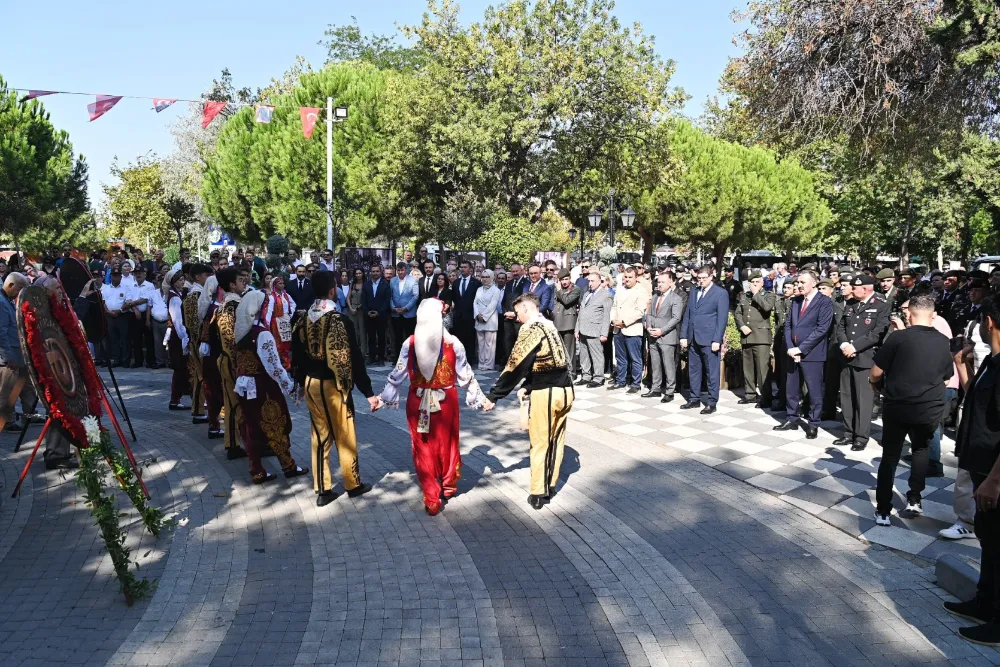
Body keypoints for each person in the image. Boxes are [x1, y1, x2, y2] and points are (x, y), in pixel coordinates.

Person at [379, 299, 486, 515]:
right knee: (448, 443)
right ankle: (448, 485)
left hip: (418, 401)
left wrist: (383, 398)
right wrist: (480, 397)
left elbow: (398, 374)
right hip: (446, 400)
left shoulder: (410, 342)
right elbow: (465, 375)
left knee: (422, 446)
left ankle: (431, 496)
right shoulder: (453, 343)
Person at [291, 271, 377, 506]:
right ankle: (352, 483)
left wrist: (299, 382)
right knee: (344, 432)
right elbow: (355, 359)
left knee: (319, 435)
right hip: (334, 385)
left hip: (310, 383)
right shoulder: (340, 320)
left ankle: (323, 488)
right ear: (332, 291)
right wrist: (368, 392)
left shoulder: (302, 319)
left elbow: (296, 354)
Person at [483, 293, 574, 510]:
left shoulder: (531, 328)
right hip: (566, 389)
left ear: (525, 309)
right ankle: (550, 485)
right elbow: (553, 358)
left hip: (548, 392)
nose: (517, 318)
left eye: (517, 313)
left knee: (540, 441)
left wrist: (494, 395)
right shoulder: (549, 325)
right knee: (555, 440)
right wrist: (528, 385)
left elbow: (516, 364)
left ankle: (538, 492)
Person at [870, 293, 954, 525]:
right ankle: (915, 499)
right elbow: (947, 378)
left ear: (909, 313)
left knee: (890, 457)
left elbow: (875, 371)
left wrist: (875, 386)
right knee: (920, 450)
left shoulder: (898, 338)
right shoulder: (943, 340)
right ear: (933, 314)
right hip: (929, 407)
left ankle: (884, 510)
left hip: (898, 405)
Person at [231, 290, 309, 484]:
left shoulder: (241, 330)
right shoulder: (262, 334)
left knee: (252, 427)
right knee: (276, 424)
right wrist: (290, 387)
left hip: (244, 384)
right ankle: (288, 466)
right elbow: (274, 367)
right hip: (262, 386)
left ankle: (256, 469)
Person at [772, 271, 833, 438]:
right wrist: (791, 347)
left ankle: (813, 423)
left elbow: (822, 329)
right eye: (797, 282)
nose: (798, 285)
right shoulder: (796, 301)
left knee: (814, 390)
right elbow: (789, 326)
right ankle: (791, 418)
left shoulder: (824, 302)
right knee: (791, 389)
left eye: (802, 282)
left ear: (813, 283)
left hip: (812, 354)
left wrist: (802, 349)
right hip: (793, 353)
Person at [833, 275, 890, 451]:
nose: (851, 289)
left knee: (863, 400)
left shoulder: (881, 306)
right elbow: (841, 328)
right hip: (846, 357)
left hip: (865, 358)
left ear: (865, 289)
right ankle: (848, 433)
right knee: (847, 397)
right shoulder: (851, 305)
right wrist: (844, 344)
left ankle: (861, 436)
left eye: (854, 287)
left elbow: (878, 333)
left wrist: (855, 347)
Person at [210, 268, 249, 459]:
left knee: (232, 403)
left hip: (226, 359)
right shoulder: (235, 306)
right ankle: (237, 445)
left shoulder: (224, 305)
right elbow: (234, 338)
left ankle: (234, 443)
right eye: (241, 279)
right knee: (237, 404)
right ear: (232, 285)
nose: (245, 282)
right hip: (234, 360)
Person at [680, 266, 730, 414]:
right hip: (693, 337)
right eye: (699, 278)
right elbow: (687, 315)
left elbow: (722, 319)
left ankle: (711, 402)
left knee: (711, 372)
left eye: (703, 278)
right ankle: (694, 399)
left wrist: (717, 339)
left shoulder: (720, 293)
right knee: (694, 370)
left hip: (709, 339)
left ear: (711, 277)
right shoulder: (695, 291)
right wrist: (684, 335)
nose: (700, 281)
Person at [735, 270, 776, 406]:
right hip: (747, 336)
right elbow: (738, 313)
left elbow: (767, 307)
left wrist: (756, 294)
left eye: (757, 282)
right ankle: (750, 394)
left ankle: (766, 397)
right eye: (752, 282)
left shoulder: (768, 295)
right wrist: (741, 326)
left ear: (762, 282)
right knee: (748, 368)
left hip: (761, 337)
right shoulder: (744, 296)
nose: (754, 284)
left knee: (762, 369)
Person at [644, 270, 683, 402]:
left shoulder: (676, 298)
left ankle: (670, 391)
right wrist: (649, 326)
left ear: (671, 282)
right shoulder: (655, 296)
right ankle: (655, 388)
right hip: (652, 335)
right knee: (655, 364)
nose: (659, 284)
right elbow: (649, 313)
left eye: (662, 282)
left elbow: (676, 318)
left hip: (667, 336)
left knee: (668, 365)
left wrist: (662, 330)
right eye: (658, 282)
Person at [609, 266, 647, 394]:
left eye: (630, 277)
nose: (627, 279)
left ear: (636, 278)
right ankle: (621, 380)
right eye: (625, 277)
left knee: (635, 358)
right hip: (618, 329)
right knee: (620, 357)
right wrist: (613, 319)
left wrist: (624, 321)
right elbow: (614, 306)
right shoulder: (620, 289)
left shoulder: (641, 291)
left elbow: (640, 311)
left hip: (631, 328)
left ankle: (636, 383)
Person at [183, 264, 213, 424]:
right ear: (198, 277)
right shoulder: (198, 296)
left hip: (195, 339)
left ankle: (198, 408)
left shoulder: (191, 295)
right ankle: (199, 409)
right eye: (207, 276)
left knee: (199, 375)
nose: (209, 279)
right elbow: (198, 322)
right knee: (203, 376)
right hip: (201, 340)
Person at [0, 274, 29, 436]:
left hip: (14, 357)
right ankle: (5, 422)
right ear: (10, 285)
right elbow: (1, 333)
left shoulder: (6, 301)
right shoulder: (1, 303)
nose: (19, 293)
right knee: (5, 393)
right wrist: (7, 357)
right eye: (18, 289)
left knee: (15, 390)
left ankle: (12, 419)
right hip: (8, 359)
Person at [197, 276, 225, 439]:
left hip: (214, 353)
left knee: (214, 389)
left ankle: (215, 423)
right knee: (216, 390)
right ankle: (214, 424)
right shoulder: (214, 308)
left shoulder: (214, 306)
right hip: (216, 354)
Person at [164, 270, 191, 411]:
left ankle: (179, 398)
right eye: (179, 280)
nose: (182, 282)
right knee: (179, 368)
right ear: (174, 282)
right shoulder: (174, 298)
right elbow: (177, 321)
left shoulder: (180, 295)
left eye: (183, 279)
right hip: (177, 336)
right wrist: (184, 338)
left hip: (179, 335)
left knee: (183, 368)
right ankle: (175, 400)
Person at [552, 269, 581, 379]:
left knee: (569, 350)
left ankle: (571, 373)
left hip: (568, 322)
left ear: (570, 278)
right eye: (562, 280)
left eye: (566, 279)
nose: (564, 282)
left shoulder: (575, 289)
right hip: (556, 321)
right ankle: (560, 371)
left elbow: (567, 301)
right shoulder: (555, 288)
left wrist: (559, 290)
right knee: (558, 349)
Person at [450, 260, 482, 358]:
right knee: (458, 339)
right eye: (461, 267)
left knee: (470, 339)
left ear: (470, 270)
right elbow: (455, 298)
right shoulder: (456, 282)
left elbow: (478, 300)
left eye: (465, 267)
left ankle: (470, 360)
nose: (463, 269)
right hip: (458, 316)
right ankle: (459, 358)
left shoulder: (476, 283)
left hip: (470, 315)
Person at [361, 264, 391, 364]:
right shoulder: (366, 285)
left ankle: (381, 358)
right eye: (373, 271)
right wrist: (367, 312)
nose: (375, 273)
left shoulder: (385, 285)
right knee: (371, 337)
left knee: (382, 337)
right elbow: (363, 300)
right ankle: (372, 357)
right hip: (369, 315)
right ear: (370, 272)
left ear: (380, 272)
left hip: (381, 315)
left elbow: (387, 301)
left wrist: (379, 312)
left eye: (377, 271)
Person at [473, 269, 502, 371]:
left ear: (492, 277)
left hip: (490, 319)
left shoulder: (496, 290)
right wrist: (477, 314)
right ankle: (481, 363)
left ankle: (489, 364)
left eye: (487, 277)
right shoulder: (479, 289)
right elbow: (475, 303)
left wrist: (484, 316)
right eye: (483, 277)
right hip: (478, 318)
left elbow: (493, 305)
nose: (485, 279)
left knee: (489, 344)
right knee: (480, 343)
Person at [389, 262, 418, 361]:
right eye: (398, 270)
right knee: (397, 337)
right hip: (396, 313)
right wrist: (393, 307)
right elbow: (390, 296)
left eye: (402, 270)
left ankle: (410, 359)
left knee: (409, 337)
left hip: (409, 314)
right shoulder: (392, 280)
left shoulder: (413, 280)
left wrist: (406, 308)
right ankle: (398, 358)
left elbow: (415, 296)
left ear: (406, 270)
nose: (400, 272)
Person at [101, 268, 130, 367]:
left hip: (122, 316)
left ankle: (125, 360)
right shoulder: (106, 288)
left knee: (124, 338)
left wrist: (120, 311)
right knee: (113, 338)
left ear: (121, 277)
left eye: (118, 275)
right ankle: (116, 359)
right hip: (109, 316)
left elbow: (128, 302)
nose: (115, 277)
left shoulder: (126, 288)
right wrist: (108, 311)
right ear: (111, 276)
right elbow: (103, 302)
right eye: (114, 275)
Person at [500, 263, 527, 366]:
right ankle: (509, 366)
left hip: (519, 319)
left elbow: (524, 301)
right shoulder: (509, 283)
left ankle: (519, 366)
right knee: (507, 343)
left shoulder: (526, 283)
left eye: (517, 271)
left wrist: (515, 314)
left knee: (519, 343)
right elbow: (504, 301)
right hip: (507, 318)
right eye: (513, 271)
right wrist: (505, 312)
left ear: (521, 271)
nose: (515, 273)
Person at [347, 268, 367, 358]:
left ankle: (363, 353)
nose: (358, 275)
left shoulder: (366, 284)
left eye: (360, 273)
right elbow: (348, 297)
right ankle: (354, 352)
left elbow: (367, 298)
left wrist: (359, 307)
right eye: (356, 273)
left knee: (362, 331)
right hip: (352, 309)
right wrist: (351, 308)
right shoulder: (352, 284)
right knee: (353, 331)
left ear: (363, 274)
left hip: (362, 309)